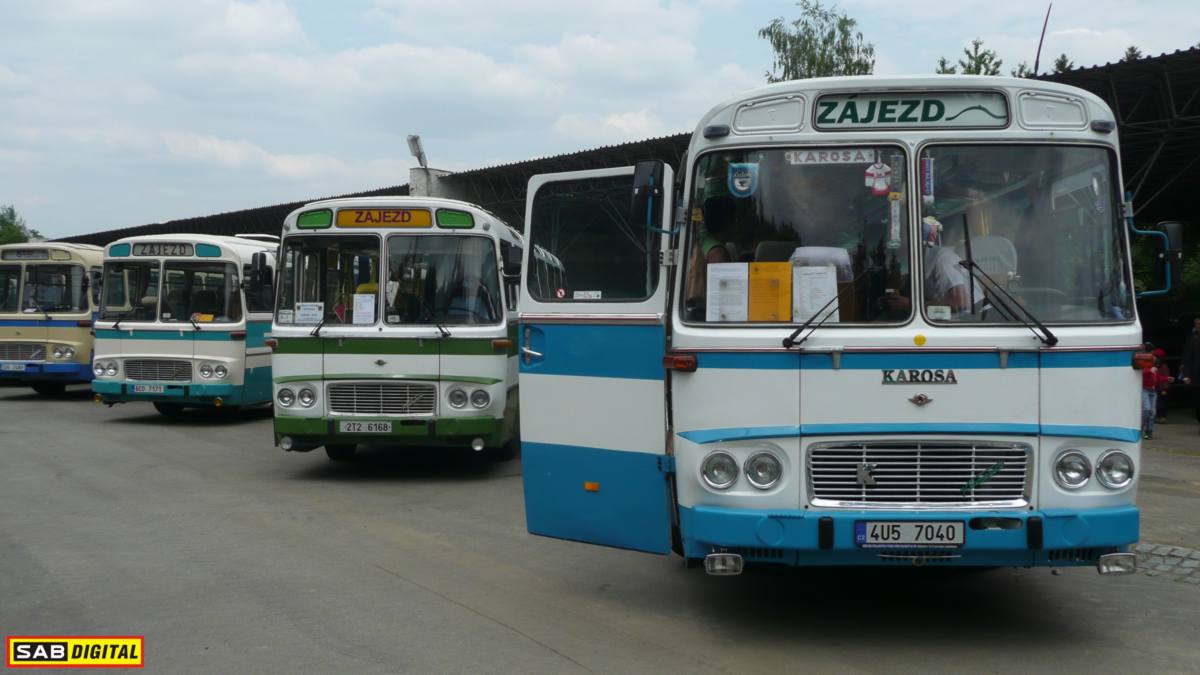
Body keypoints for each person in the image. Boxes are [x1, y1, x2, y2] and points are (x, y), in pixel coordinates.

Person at [1140, 342, 1172, 439]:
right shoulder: (1144, 362)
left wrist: (1166, 378)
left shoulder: (1154, 366)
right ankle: (1140, 426)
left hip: (1153, 391)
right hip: (1145, 389)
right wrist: (1149, 370)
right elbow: (1140, 372)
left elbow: (1157, 378)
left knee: (1152, 413)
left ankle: (1149, 431)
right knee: (1147, 409)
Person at [1178, 317, 1200, 431]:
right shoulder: (1192, 338)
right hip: (1196, 375)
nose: (1197, 325)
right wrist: (1186, 375)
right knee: (1197, 400)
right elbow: (1187, 356)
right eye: (1196, 323)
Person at [1154, 347, 1171, 423]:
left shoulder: (1163, 366)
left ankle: (1162, 417)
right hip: (1156, 388)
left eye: (1156, 357)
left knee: (1162, 403)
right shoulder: (1155, 366)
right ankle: (1158, 417)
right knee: (1157, 403)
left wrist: (1164, 389)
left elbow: (1166, 378)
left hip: (1162, 388)